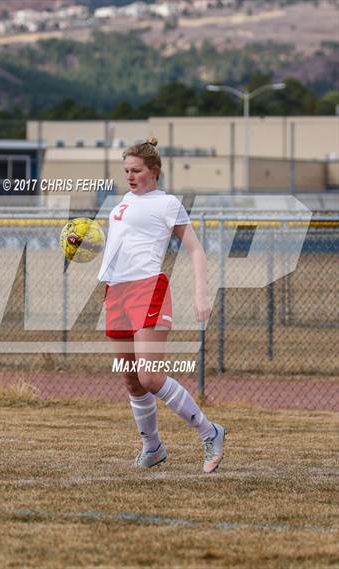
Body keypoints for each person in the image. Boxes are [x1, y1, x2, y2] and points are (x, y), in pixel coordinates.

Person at [98, 137, 226, 473]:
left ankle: (209, 431)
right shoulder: (120, 204)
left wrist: (201, 294)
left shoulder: (167, 203)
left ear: (154, 172)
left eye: (136, 170)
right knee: (131, 379)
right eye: (126, 170)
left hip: (148, 288)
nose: (129, 175)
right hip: (116, 291)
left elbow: (196, 250)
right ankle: (152, 447)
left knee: (150, 376)